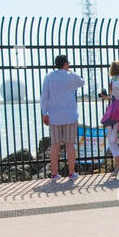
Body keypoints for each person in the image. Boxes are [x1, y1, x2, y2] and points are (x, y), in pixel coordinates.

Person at [41, 54, 84, 182]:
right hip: (70, 115)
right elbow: (82, 82)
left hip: (54, 116)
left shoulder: (49, 77)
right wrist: (70, 71)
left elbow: (44, 96)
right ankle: (72, 172)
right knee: (70, 144)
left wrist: (44, 113)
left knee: (55, 145)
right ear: (66, 64)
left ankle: (54, 174)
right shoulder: (71, 76)